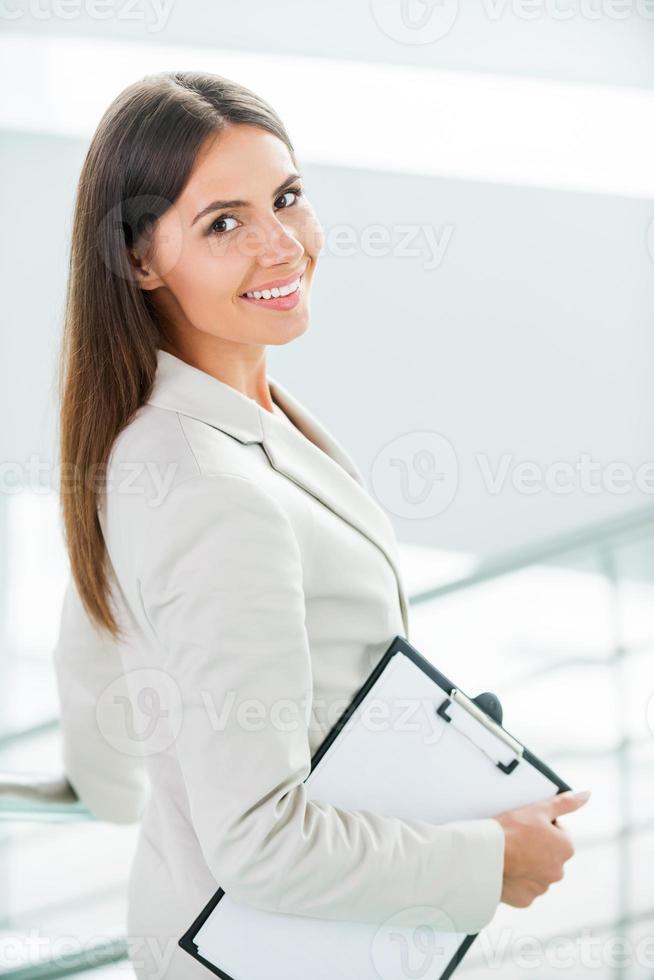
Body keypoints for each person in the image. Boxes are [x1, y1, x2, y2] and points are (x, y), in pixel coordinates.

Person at [52, 70, 590, 979]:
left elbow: (92, 664)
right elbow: (259, 843)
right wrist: (490, 862)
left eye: (287, 198)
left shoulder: (163, 433)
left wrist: (104, 794)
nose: (283, 245)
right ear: (141, 260)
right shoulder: (210, 489)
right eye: (224, 222)